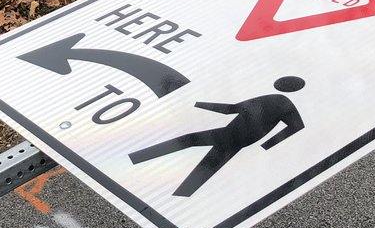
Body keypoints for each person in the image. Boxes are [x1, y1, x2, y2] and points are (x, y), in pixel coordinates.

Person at [129, 76, 306, 196]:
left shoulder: (277, 101)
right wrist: (200, 104)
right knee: (197, 150)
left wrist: (269, 144)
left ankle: (143, 163)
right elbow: (232, 109)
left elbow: (296, 126)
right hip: (231, 135)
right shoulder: (275, 100)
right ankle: (140, 161)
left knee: (200, 154)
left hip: (236, 137)